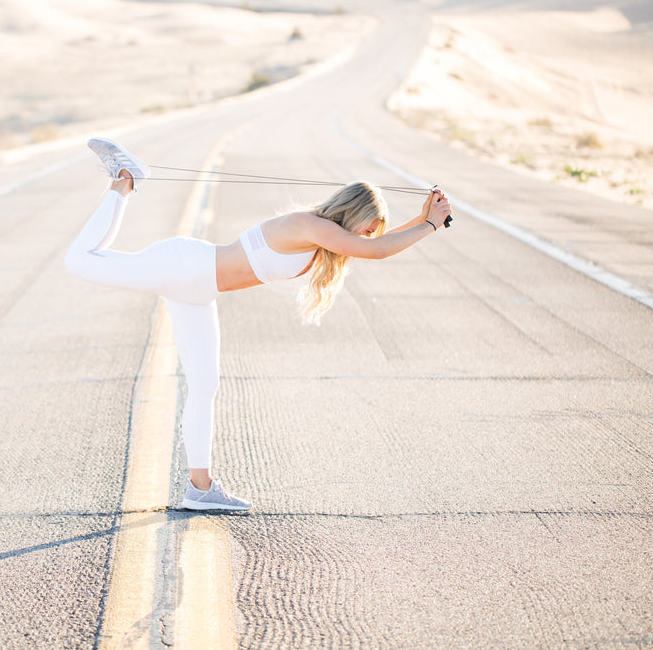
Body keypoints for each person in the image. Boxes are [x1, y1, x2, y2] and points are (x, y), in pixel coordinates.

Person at [65, 138, 452, 511]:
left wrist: (421, 219)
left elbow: (374, 244)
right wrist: (431, 225)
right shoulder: (309, 225)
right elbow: (375, 251)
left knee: (205, 386)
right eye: (368, 227)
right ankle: (124, 179)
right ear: (354, 213)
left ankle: (201, 489)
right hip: (183, 267)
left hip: (196, 290)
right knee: (79, 260)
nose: (367, 236)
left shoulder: (324, 237)